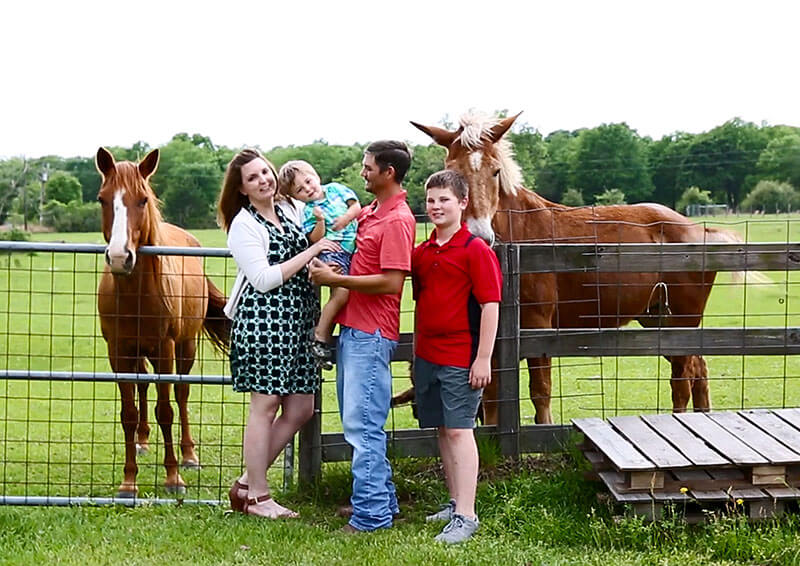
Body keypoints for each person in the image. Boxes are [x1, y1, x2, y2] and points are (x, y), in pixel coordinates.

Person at [217, 148, 339, 519]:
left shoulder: (291, 209)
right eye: (252, 178)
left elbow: (321, 231)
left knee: (302, 407)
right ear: (241, 189)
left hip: (300, 321)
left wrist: (323, 227)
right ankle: (258, 496)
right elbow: (264, 278)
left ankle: (244, 484)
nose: (263, 180)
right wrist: (313, 250)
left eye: (265, 172)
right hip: (263, 324)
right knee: (265, 405)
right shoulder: (244, 225)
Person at [308, 140, 415, 533]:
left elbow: (391, 283)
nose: (362, 172)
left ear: (389, 172)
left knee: (362, 425)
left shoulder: (398, 220)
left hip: (371, 333)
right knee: (360, 421)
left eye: (368, 167)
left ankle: (371, 516)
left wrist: (335, 279)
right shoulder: (371, 213)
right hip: (355, 330)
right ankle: (379, 501)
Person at [411, 170, 502, 544]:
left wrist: (483, 358)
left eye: (444, 200)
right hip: (427, 355)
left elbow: (491, 306)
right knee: (442, 430)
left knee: (461, 430)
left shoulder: (475, 250)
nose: (436, 206)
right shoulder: (422, 253)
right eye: (431, 200)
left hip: (461, 355)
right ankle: (453, 503)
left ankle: (467, 515)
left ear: (463, 203)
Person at [277, 160, 361, 370]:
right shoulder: (308, 211)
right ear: (295, 197)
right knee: (342, 294)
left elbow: (356, 206)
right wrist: (320, 221)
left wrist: (345, 219)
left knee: (347, 294)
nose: (308, 189)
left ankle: (324, 336)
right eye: (300, 190)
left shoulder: (336, 190)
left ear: (315, 175)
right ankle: (320, 335)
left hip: (353, 251)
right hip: (332, 252)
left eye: (308, 181)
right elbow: (315, 238)